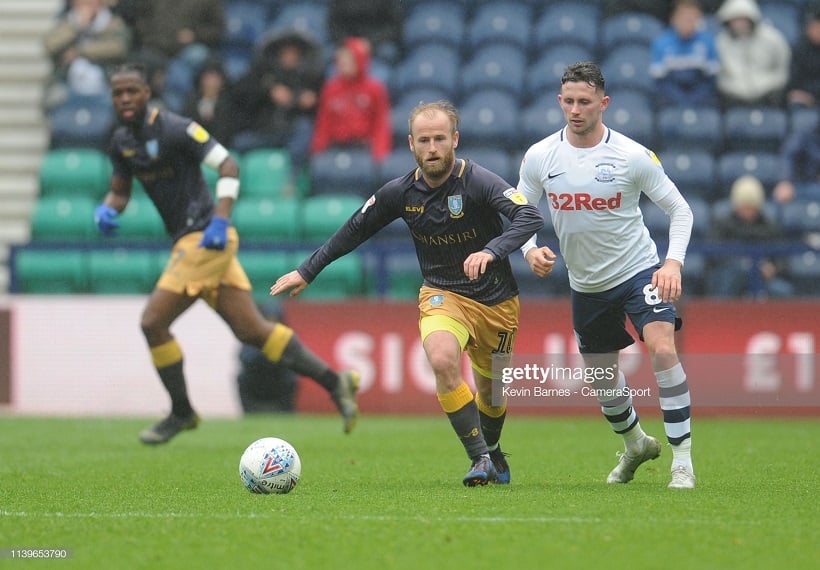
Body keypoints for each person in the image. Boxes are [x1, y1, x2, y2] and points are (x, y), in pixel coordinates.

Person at [271, 100, 544, 486]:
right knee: (442, 358)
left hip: (496, 302)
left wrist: (490, 250)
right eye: (424, 140)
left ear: (455, 141)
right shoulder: (400, 192)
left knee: (492, 393)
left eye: (440, 139)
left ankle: (493, 450)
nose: (432, 148)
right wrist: (307, 269)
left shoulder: (479, 180)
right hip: (441, 294)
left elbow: (529, 215)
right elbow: (353, 230)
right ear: (411, 144)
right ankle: (479, 457)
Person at [94, 64, 359, 444]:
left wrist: (220, 220)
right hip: (192, 243)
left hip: (204, 237)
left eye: (132, 91)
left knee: (153, 322)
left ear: (147, 92)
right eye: (118, 93)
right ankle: (337, 383)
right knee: (254, 331)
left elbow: (229, 164)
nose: (125, 99)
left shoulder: (177, 129)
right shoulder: (121, 141)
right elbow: (119, 191)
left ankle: (181, 412)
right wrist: (108, 208)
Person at [517, 62, 697, 489]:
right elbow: (519, 212)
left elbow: (680, 210)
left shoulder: (632, 156)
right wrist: (529, 249)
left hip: (639, 272)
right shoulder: (541, 156)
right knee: (602, 377)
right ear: (559, 101)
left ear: (604, 103)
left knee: (662, 348)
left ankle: (683, 461)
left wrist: (672, 263)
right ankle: (635, 444)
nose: (575, 110)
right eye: (568, 102)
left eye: (584, 102)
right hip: (586, 285)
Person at [230, 29, 324, 177]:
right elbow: (239, 94)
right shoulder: (262, 74)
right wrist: (268, 91)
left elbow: (324, 106)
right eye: (286, 53)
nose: (290, 57)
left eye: (294, 53)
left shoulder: (311, 77)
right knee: (238, 143)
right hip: (264, 131)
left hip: (291, 131)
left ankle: (292, 179)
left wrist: (311, 102)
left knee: (304, 128)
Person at [706, 175, 795, 298]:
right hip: (730, 276)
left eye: (751, 207)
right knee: (725, 281)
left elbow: (783, 258)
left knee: (782, 290)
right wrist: (744, 266)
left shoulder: (769, 227)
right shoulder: (723, 225)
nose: (748, 212)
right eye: (744, 207)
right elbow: (714, 255)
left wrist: (773, 268)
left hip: (764, 280)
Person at [128, 0, 225, 111]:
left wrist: (195, 35)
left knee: (197, 55)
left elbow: (218, 29)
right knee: (142, 61)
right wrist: (155, 38)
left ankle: (187, 109)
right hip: (156, 48)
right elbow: (141, 21)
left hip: (188, 50)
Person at [310, 37, 393, 163]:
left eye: (349, 60)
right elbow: (324, 121)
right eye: (341, 61)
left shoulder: (375, 89)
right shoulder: (331, 88)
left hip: (362, 147)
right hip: (335, 146)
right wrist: (318, 150)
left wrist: (380, 152)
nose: (344, 65)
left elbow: (381, 123)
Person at [43, 0, 132, 110]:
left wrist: (81, 51)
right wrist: (77, 25)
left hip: (104, 82)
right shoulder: (67, 21)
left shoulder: (112, 22)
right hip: (68, 84)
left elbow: (119, 47)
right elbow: (50, 44)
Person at [714, 0, 791, 108]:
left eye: (743, 19)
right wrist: (735, 87)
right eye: (735, 19)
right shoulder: (721, 42)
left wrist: (769, 83)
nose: (739, 24)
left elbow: (783, 67)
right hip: (733, 97)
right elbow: (718, 74)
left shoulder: (772, 38)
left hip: (769, 94)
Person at [650, 0, 720, 109]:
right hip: (671, 97)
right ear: (673, 19)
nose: (689, 22)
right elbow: (660, 82)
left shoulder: (707, 41)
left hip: (700, 97)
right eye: (684, 18)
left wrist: (693, 101)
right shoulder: (662, 42)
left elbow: (710, 81)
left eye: (693, 19)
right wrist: (681, 101)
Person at [327, 0, 403, 65]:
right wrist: (349, 43)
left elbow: (394, 25)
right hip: (348, 43)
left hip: (380, 43)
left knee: (388, 53)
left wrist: (371, 43)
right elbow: (334, 24)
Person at [181, 58, 235, 145]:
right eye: (208, 78)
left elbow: (227, 131)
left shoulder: (228, 102)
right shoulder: (191, 101)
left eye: (216, 78)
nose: (211, 83)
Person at [772, 116, 820, 203]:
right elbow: (788, 155)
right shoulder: (806, 135)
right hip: (803, 186)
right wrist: (785, 180)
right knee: (783, 194)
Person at [785, 2, 820, 108]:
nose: (815, 30)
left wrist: (814, 96)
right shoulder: (799, 49)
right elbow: (795, 80)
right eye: (812, 26)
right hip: (805, 98)